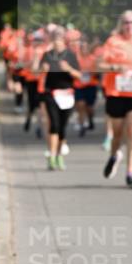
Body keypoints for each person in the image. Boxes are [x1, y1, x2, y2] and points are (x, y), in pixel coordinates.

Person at [98, 10, 132, 189]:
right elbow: (99, 65)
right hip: (116, 92)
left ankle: (131, 173)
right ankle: (114, 155)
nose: (130, 26)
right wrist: (116, 67)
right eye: (126, 23)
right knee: (117, 134)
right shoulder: (112, 42)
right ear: (121, 25)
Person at [39, 27, 82, 170]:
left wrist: (68, 69)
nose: (57, 40)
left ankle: (59, 155)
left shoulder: (70, 55)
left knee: (62, 126)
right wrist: (43, 68)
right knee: (54, 124)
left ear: (64, 39)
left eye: (60, 37)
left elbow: (79, 75)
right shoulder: (47, 55)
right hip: (51, 93)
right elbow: (39, 70)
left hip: (67, 94)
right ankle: (51, 156)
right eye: (55, 37)